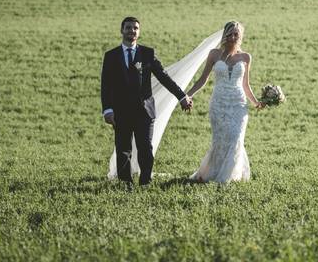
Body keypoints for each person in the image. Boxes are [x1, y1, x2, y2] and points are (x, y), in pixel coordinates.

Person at [101, 16, 192, 186]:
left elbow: (164, 78)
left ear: (139, 32)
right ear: (122, 30)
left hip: (144, 111)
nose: (132, 31)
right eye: (128, 28)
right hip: (121, 111)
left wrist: (182, 96)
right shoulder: (111, 56)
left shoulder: (147, 53)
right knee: (123, 150)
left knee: (145, 149)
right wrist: (107, 109)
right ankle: (125, 184)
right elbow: (106, 85)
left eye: (135, 28)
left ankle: (145, 182)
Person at [186, 20, 264, 182]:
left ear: (240, 36)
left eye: (237, 34)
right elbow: (203, 79)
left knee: (236, 137)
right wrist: (189, 94)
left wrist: (256, 102)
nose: (233, 37)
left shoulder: (245, 57)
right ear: (225, 35)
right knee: (220, 139)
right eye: (230, 33)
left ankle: (229, 176)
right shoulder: (214, 54)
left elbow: (246, 85)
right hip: (219, 103)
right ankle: (212, 173)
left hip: (238, 104)